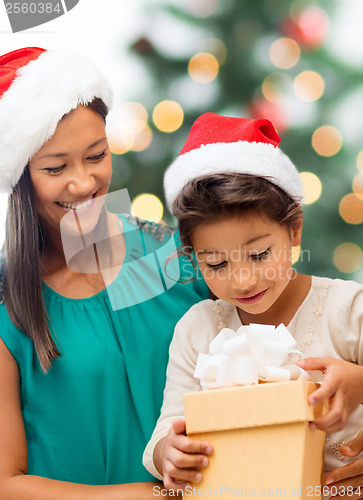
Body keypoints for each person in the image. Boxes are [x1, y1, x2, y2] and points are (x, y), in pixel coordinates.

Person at [0, 47, 209, 499]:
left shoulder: (169, 255)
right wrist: (151, 496)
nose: (83, 183)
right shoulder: (7, 305)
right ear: (19, 178)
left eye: (96, 156)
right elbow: (6, 482)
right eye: (56, 168)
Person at [142, 113, 363, 497]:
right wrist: (168, 453)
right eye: (217, 263)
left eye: (259, 254)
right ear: (194, 258)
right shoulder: (198, 329)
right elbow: (169, 427)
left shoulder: (347, 310)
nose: (242, 280)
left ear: (294, 230)